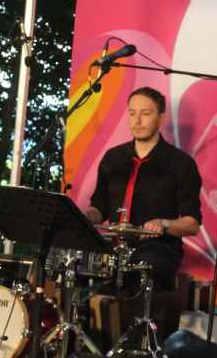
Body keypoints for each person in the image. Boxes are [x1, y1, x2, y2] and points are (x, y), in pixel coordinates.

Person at [84, 86, 202, 294]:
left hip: (157, 251)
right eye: (132, 113)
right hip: (112, 249)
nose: (137, 121)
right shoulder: (113, 158)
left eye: (146, 114)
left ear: (161, 118)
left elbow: (191, 224)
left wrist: (163, 224)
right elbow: (98, 208)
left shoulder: (181, 164)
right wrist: (85, 215)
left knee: (138, 273)